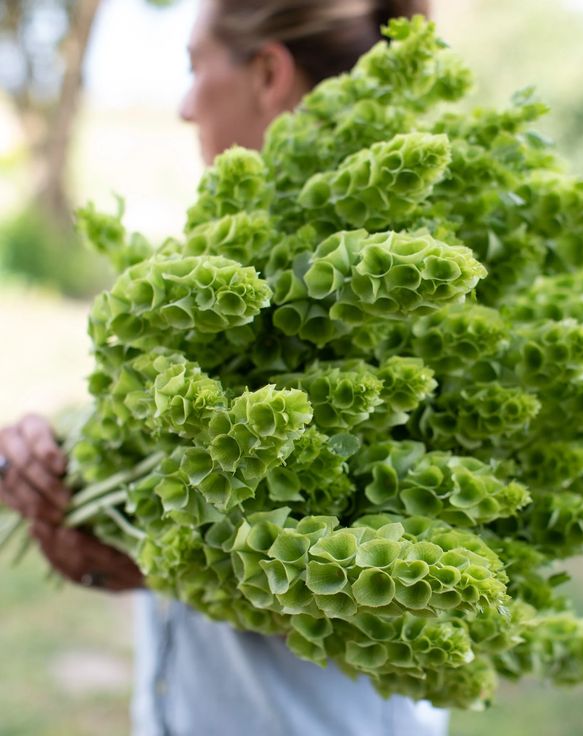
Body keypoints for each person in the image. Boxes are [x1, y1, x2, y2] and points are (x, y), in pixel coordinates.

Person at [0, 1, 451, 734]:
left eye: (193, 67)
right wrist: (34, 458)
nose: (182, 106)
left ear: (268, 72)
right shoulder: (241, 266)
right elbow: (162, 461)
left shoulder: (397, 286)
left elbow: (401, 578)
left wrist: (177, 565)